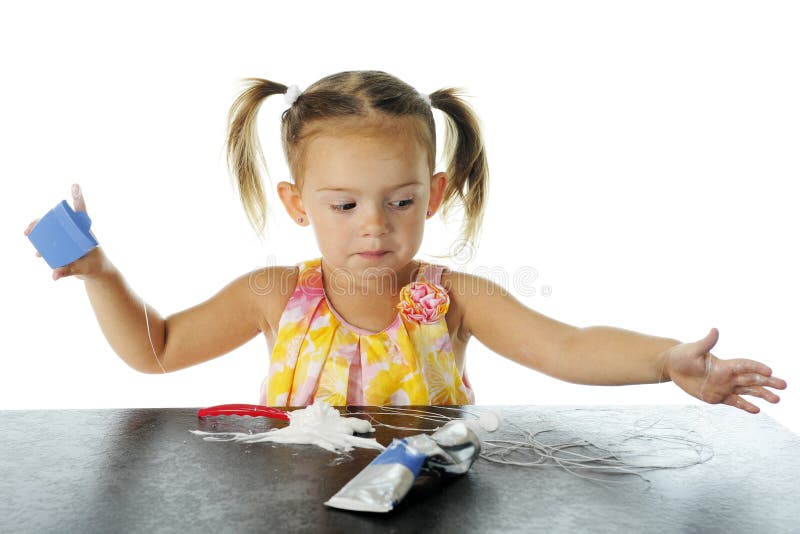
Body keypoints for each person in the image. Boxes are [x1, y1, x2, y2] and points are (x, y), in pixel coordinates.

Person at [24, 70, 786, 412]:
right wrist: (99, 273)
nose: (374, 224)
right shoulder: (275, 297)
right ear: (297, 204)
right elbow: (154, 350)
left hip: (434, 509)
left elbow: (568, 345)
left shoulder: (451, 297)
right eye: (345, 203)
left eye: (401, 200)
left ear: (437, 194)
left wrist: (663, 361)